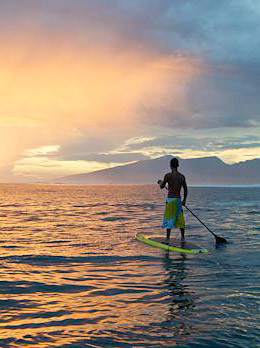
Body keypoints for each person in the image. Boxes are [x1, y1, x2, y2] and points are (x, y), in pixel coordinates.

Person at [158, 158, 188, 241]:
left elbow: (161, 186)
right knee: (180, 219)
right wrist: (184, 200)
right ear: (178, 165)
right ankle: (183, 238)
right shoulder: (182, 176)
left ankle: (167, 238)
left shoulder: (167, 175)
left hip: (171, 200)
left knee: (169, 219)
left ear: (170, 165)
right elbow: (185, 189)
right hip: (178, 200)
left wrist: (160, 182)